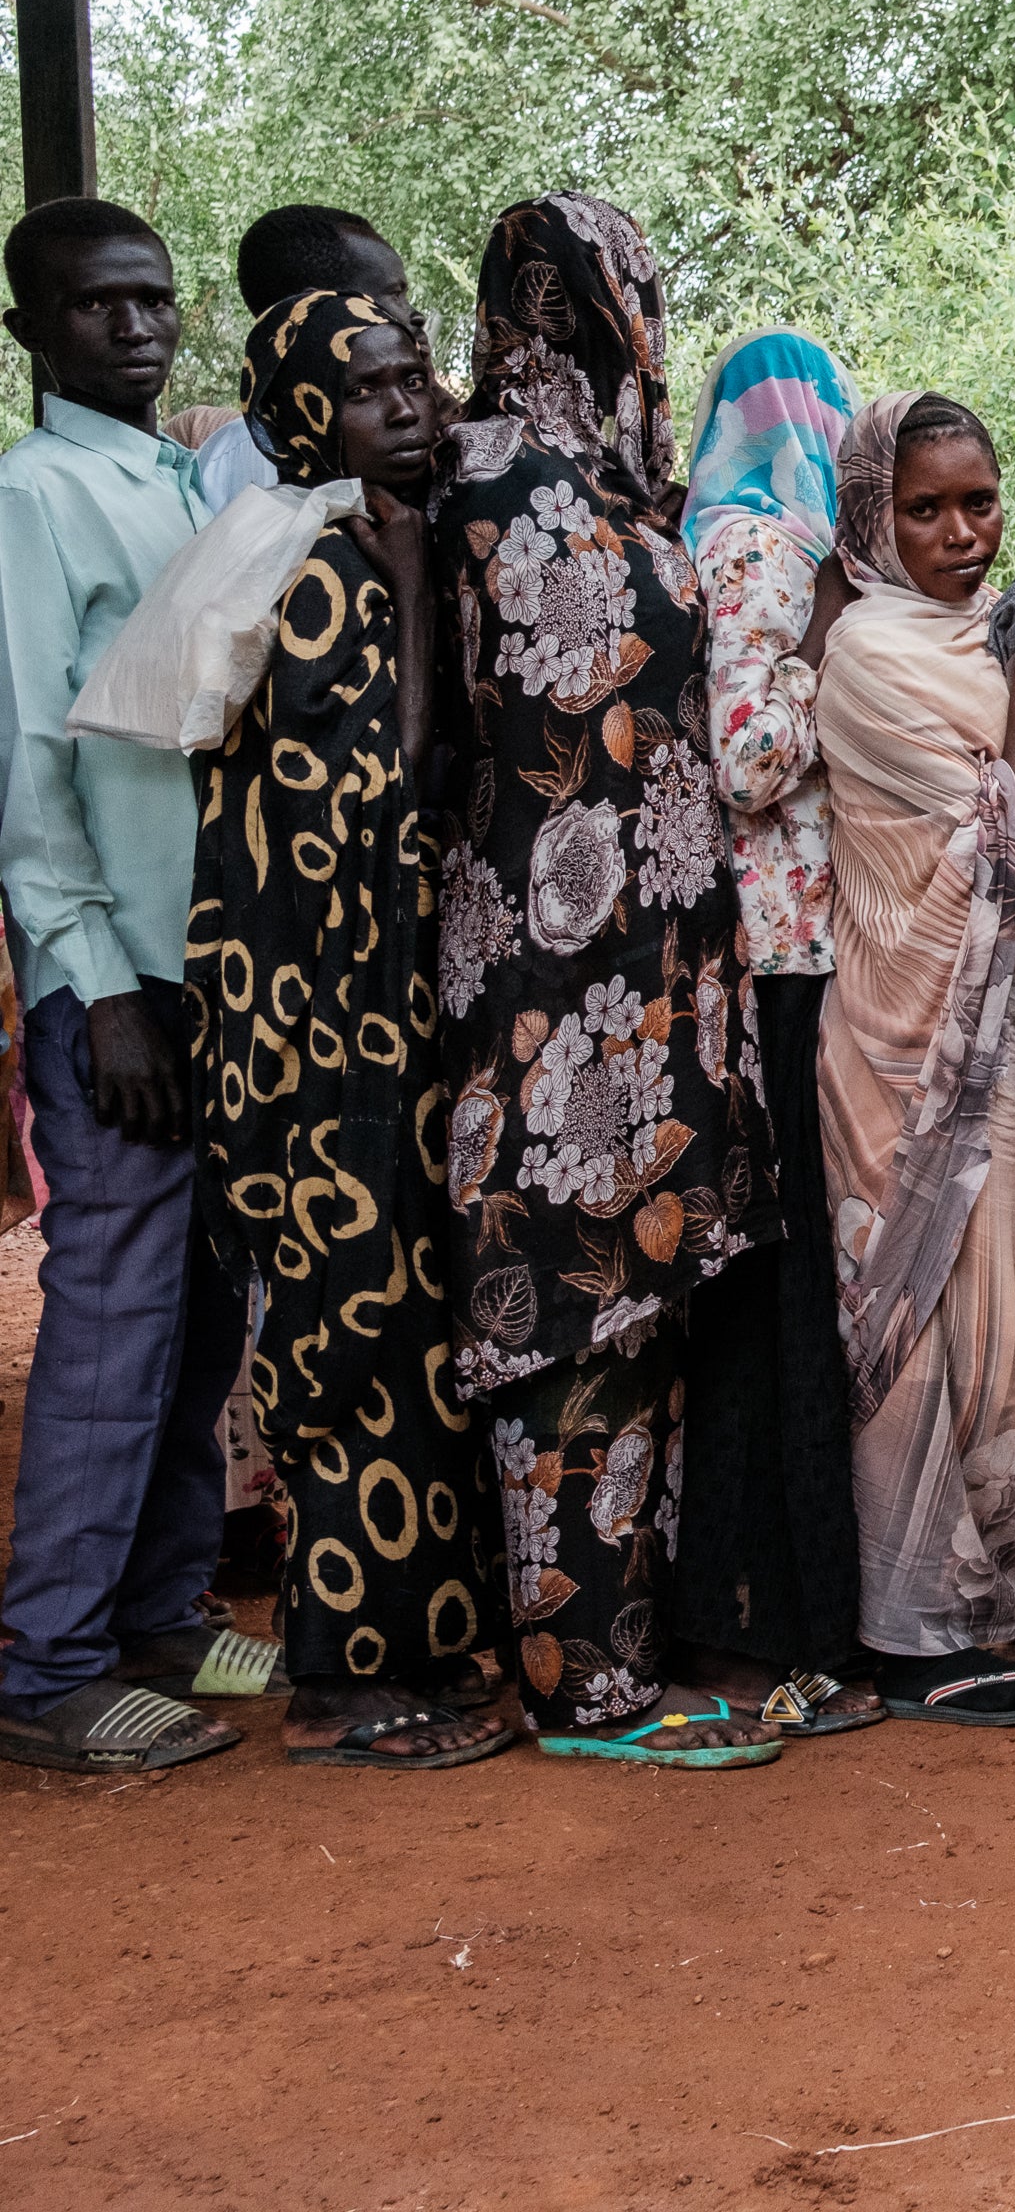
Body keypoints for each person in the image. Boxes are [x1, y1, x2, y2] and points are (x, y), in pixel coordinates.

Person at [432, 193, 781, 1769]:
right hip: (533, 968)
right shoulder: (461, 475)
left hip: (665, 968)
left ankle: (624, 1651)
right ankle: (574, 1675)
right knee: (551, 1306)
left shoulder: (637, 495)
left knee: (641, 1306)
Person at [190, 289, 518, 1769]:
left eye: (417, 378)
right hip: (314, 1029)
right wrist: (400, 586)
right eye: (372, 388)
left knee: (416, 1336)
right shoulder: (318, 567)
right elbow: (382, 793)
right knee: (345, 1340)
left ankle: (427, 1647)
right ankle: (337, 1675)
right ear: (302, 413)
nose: (410, 406)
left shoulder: (383, 547)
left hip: (380, 1022)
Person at [0, 199, 255, 1772]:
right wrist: (94, 984)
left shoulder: (181, 481)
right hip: (121, 983)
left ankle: (160, 1612)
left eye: (155, 301)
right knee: (110, 1324)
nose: (139, 328)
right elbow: (32, 766)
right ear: (33, 332)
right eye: (100, 308)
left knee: (200, 1318)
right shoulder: (36, 500)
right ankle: (48, 1666)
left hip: (212, 969)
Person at [816, 387, 1015, 1726]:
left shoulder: (967, 636)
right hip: (901, 1042)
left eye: (980, 502)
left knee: (989, 1311)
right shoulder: (871, 649)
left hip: (986, 1029)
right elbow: (1004, 833)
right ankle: (915, 1629)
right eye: (924, 510)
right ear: (874, 515)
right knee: (913, 1316)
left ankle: (1007, 1593)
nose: (963, 533)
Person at [672, 329, 878, 1737]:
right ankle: (780, 1609)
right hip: (781, 957)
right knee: (784, 1283)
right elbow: (748, 762)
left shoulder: (778, 534)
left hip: (804, 949)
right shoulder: (757, 549)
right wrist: (820, 643)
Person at [194, 205, 434, 514]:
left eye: (412, 383)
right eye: (394, 294)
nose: (416, 315)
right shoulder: (229, 471)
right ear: (314, 306)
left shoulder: (436, 438)